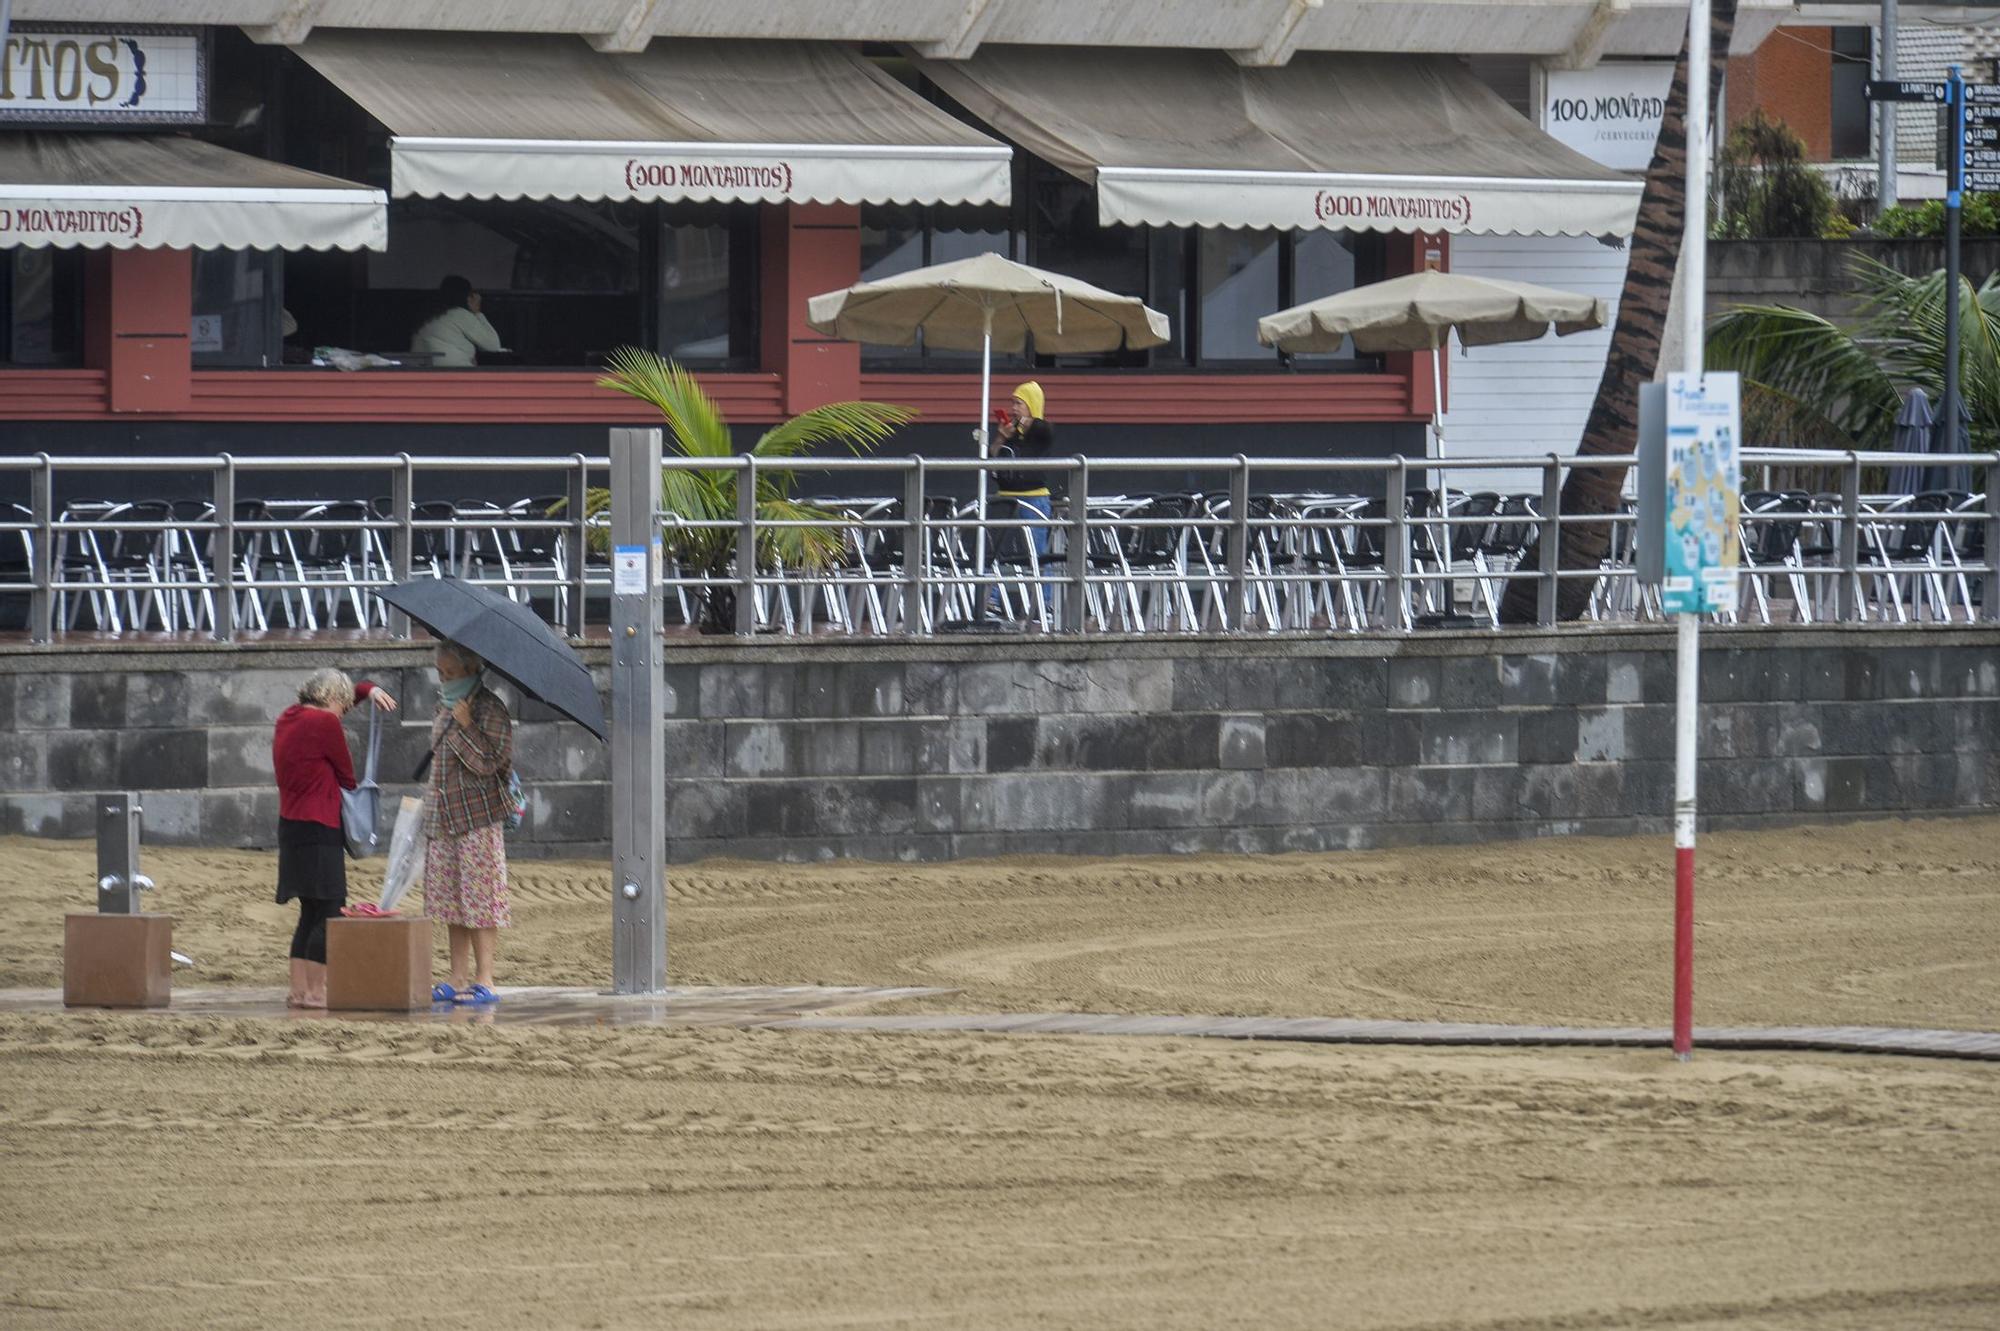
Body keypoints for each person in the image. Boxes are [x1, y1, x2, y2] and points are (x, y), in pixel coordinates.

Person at [272, 667, 398, 1008]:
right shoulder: (325, 724)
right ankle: (316, 992)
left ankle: (298, 992)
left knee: (309, 912)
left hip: (292, 829)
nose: (344, 714)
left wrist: (365, 690)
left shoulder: (288, 717)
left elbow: (336, 699)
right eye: (343, 708)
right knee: (330, 910)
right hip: (320, 827)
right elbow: (347, 776)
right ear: (331, 700)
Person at [422, 642, 514, 1005]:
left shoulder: (490, 709)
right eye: (440, 673)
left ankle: (485, 979)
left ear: (471, 671)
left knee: (480, 899)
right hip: (443, 817)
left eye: (450, 674)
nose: (444, 680)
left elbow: (493, 764)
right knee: (449, 900)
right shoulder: (442, 706)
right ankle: (456, 977)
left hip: (477, 817)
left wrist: (465, 728)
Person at [990, 380, 1055, 615]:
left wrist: (1019, 423)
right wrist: (1000, 436)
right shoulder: (1010, 433)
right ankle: (993, 601)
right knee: (999, 551)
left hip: (1034, 497)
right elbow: (993, 456)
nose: (1014, 408)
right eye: (1012, 403)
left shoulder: (1041, 429)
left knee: (1036, 552)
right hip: (1006, 497)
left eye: (1019, 403)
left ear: (1031, 405)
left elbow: (1039, 428)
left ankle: (1043, 603)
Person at [411, 275, 506, 368]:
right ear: (467, 296)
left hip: (424, 374)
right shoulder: (460, 314)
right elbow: (493, 345)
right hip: (457, 374)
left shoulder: (427, 316)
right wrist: (477, 312)